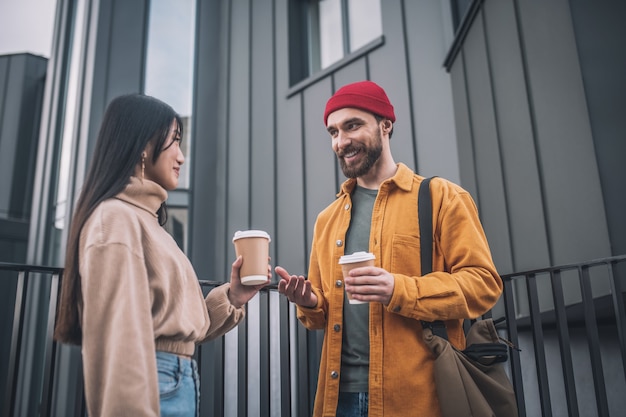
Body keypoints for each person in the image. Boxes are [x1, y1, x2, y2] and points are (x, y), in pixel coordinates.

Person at [275, 80, 502, 417]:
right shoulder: (327, 219)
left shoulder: (441, 198)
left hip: (419, 398)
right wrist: (309, 302)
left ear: (385, 125)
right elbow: (321, 316)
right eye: (333, 131)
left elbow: (483, 284)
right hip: (340, 399)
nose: (341, 141)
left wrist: (399, 288)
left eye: (352, 126)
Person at [53, 93, 269, 416]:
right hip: (155, 384)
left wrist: (233, 297)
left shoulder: (147, 222)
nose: (182, 157)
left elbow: (176, 328)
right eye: (175, 142)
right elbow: (121, 342)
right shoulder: (116, 218)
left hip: (174, 381)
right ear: (143, 147)